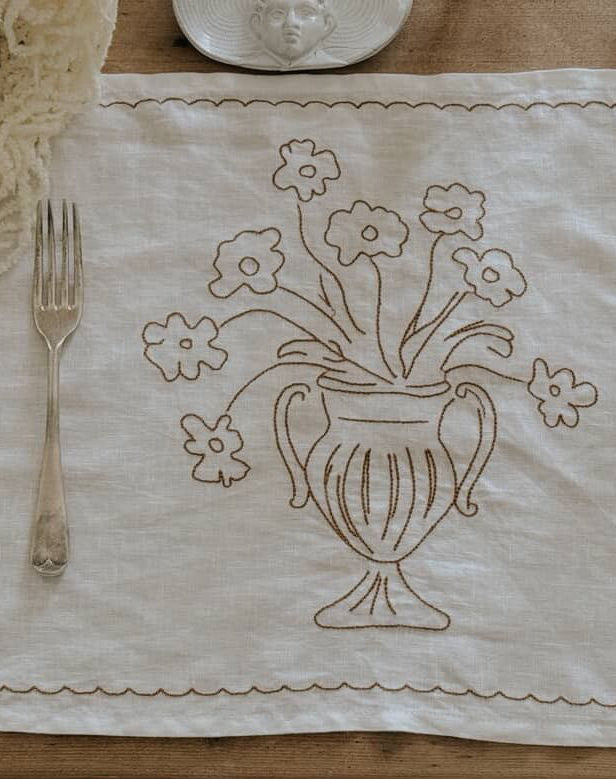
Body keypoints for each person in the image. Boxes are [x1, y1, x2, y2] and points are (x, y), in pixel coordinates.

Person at [249, 0, 337, 66]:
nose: (291, 23)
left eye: (306, 13)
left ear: (327, 24)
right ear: (257, 24)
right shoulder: (249, 66)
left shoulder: (334, 66)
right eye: (277, 14)